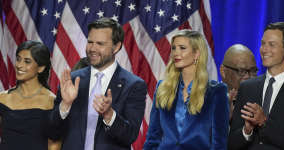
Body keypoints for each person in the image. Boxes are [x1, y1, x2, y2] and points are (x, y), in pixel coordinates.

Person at [50, 17, 147, 150]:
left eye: (100, 44)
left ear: (116, 47)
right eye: (90, 42)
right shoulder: (72, 80)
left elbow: (130, 136)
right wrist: (65, 105)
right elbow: (52, 133)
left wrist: (109, 115)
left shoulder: (134, 85)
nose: (92, 48)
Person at [144, 30, 229, 150]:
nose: (176, 53)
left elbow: (219, 143)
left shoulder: (216, 91)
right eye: (174, 48)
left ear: (196, 54)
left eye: (182, 48)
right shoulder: (163, 88)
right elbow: (153, 137)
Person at [228, 22, 284, 150]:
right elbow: (232, 143)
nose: (264, 49)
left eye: (271, 44)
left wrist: (263, 122)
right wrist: (247, 131)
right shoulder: (247, 87)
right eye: (263, 43)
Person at [0, 40, 59, 150]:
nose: (19, 65)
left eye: (27, 61)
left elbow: (54, 144)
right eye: (18, 59)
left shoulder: (51, 101)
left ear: (41, 68)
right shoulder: (2, 98)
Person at [220, 44, 257, 120]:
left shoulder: (259, 102)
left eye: (253, 71)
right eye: (241, 71)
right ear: (223, 71)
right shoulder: (208, 101)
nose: (248, 77)